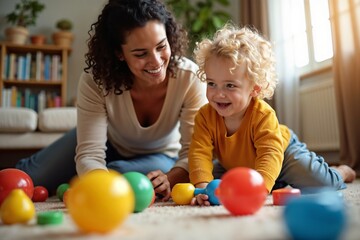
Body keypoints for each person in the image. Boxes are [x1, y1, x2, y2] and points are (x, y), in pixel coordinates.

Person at [15, 0, 207, 201]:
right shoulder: (96, 81)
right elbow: (90, 154)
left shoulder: (189, 77)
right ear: (119, 53)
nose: (157, 61)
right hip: (109, 139)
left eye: (161, 46)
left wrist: (170, 177)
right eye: (141, 53)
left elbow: (193, 153)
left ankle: (80, 183)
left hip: (161, 154)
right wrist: (94, 176)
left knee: (118, 175)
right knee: (28, 179)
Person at [188, 23, 356, 206]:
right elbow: (199, 153)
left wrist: (258, 190)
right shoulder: (205, 116)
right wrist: (203, 188)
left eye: (230, 85)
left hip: (282, 154)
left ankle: (342, 171)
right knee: (210, 178)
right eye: (212, 83)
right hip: (238, 164)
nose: (218, 93)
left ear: (255, 88)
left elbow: (270, 153)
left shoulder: (263, 115)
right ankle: (275, 183)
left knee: (322, 183)